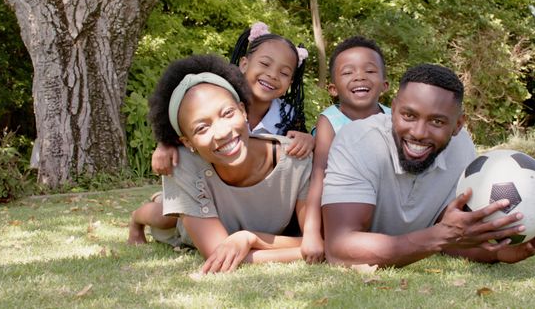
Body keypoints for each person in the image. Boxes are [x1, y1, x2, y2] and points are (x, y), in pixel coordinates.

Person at [321, 63, 535, 267]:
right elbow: (339, 248)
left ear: (458, 124)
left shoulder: (461, 148)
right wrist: (439, 236)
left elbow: (452, 239)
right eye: (408, 116)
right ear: (393, 110)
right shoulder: (358, 141)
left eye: (437, 121)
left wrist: (497, 251)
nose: (419, 133)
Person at [128, 54, 312, 274]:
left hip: (240, 225)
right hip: (191, 222)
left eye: (227, 113)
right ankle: (136, 217)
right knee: (164, 217)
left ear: (243, 110)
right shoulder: (183, 161)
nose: (222, 132)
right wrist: (304, 251)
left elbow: (313, 240)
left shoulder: (295, 158)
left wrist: (249, 238)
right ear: (187, 143)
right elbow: (219, 254)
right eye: (202, 128)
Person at [151, 22, 314, 176]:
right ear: (244, 64)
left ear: (290, 83)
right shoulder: (217, 97)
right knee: (154, 207)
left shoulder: (288, 116)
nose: (273, 75)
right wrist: (166, 143)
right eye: (265, 64)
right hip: (210, 185)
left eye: (284, 73)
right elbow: (190, 127)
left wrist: (307, 140)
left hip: (260, 190)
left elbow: (298, 146)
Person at [300, 36, 390, 263]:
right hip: (342, 203)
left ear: (384, 84)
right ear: (332, 88)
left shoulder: (394, 118)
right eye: (348, 72)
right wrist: (311, 233)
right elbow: (319, 173)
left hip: (384, 203)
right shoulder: (330, 121)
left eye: (370, 71)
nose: (359, 76)